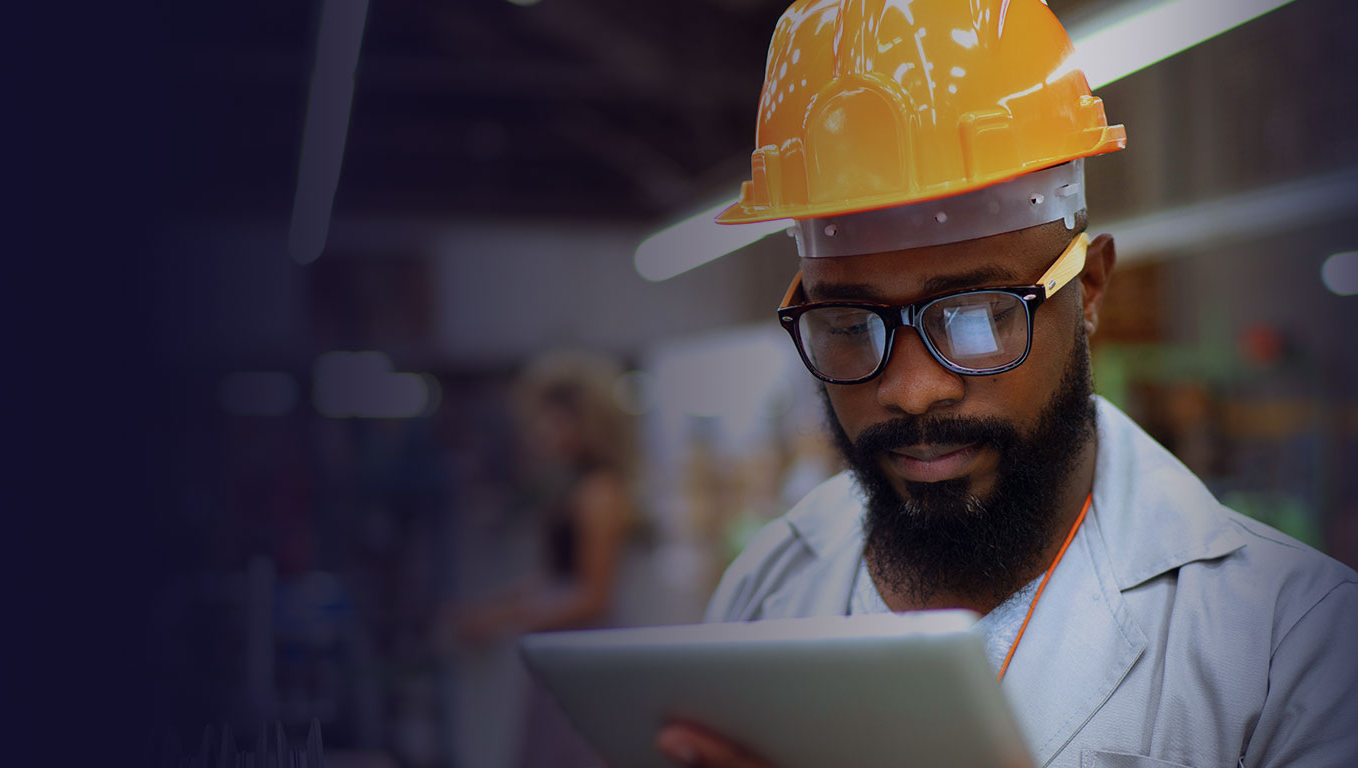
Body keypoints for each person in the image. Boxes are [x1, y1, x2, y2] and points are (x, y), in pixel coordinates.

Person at [651, 1, 1358, 766]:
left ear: (1087, 289)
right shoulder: (769, 587)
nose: (914, 392)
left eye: (978, 317)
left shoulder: (1295, 646)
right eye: (852, 325)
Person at [447, 349, 638, 768]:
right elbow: (556, 576)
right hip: (565, 650)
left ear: (581, 421)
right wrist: (498, 608)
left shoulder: (598, 492)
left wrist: (505, 621)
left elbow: (593, 596)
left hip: (584, 654)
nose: (540, 431)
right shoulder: (572, 486)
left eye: (551, 419)